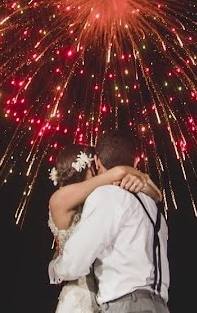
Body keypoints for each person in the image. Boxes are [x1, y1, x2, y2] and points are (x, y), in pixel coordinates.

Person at [49, 130, 170, 312]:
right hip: (156, 303)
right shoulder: (150, 205)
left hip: (121, 301)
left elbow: (73, 263)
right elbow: (123, 173)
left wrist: (55, 267)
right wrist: (142, 181)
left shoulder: (106, 197)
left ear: (98, 162)